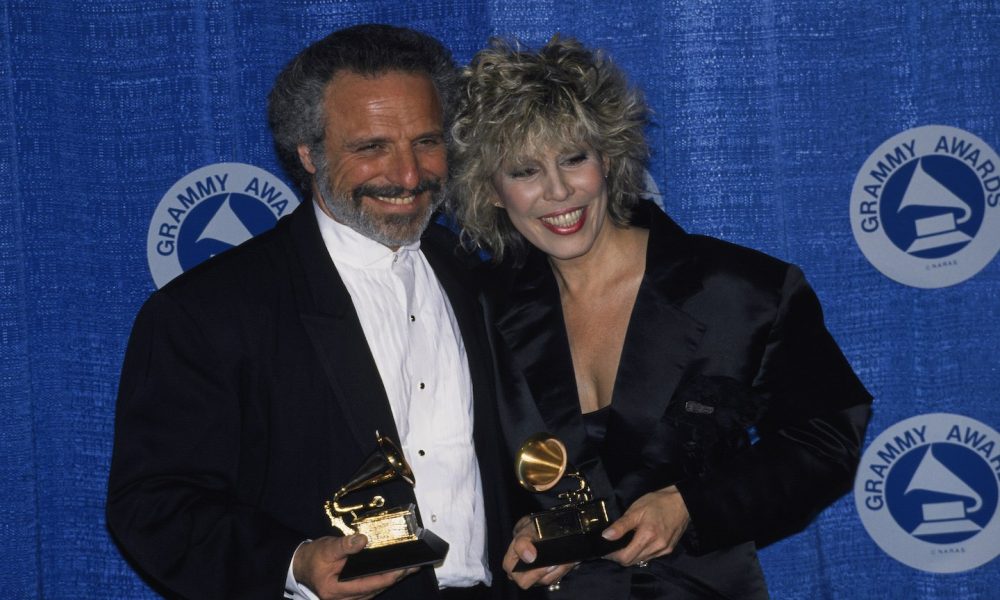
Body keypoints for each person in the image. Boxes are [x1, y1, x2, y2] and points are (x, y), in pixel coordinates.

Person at [448, 36, 873, 599]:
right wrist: (522, 528)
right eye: (525, 171)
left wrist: (692, 504)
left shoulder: (741, 291)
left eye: (574, 158)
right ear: (493, 192)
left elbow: (825, 441)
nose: (557, 192)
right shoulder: (477, 305)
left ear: (608, 158)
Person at [107, 24, 516, 600]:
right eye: (372, 147)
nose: (407, 175)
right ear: (308, 152)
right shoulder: (208, 310)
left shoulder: (483, 277)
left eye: (426, 141)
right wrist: (294, 563)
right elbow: (152, 503)